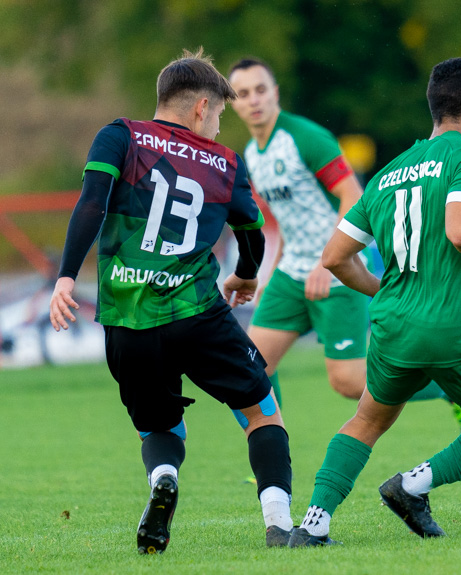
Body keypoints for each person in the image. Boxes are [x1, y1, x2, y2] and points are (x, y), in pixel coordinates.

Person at [288, 57, 461, 547]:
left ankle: (313, 524)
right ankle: (413, 485)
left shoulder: (389, 172)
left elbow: (334, 258)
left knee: (367, 419)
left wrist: (383, 290)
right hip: (455, 329)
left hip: (392, 328)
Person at [49, 48, 294, 553]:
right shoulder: (225, 162)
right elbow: (252, 235)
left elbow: (92, 203)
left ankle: (164, 477)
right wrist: (246, 276)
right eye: (221, 114)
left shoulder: (119, 135)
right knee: (263, 410)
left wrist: (66, 278)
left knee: (159, 424)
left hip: (126, 321)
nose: (221, 127)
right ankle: (278, 526)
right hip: (198, 314)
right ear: (201, 107)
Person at [226, 58, 461, 426]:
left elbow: (353, 196)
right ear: (233, 103)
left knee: (349, 381)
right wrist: (271, 273)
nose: (254, 99)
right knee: (249, 366)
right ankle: (272, 457)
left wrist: (329, 259)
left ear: (275, 93)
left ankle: (447, 385)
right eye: (243, 94)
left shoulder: (304, 138)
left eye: (261, 90)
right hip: (294, 273)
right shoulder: (253, 155)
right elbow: (292, 222)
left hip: (338, 272)